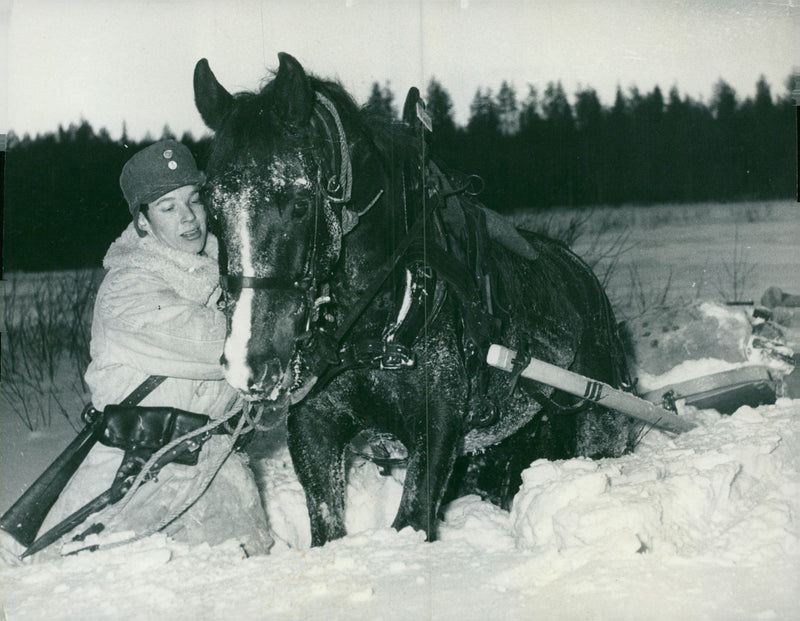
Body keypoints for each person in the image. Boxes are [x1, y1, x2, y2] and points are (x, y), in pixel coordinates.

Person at [11, 140, 273, 561]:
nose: (188, 217)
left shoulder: (225, 276)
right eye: (167, 207)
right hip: (134, 476)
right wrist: (278, 318)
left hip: (214, 470)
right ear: (143, 222)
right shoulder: (127, 288)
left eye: (194, 200)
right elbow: (221, 345)